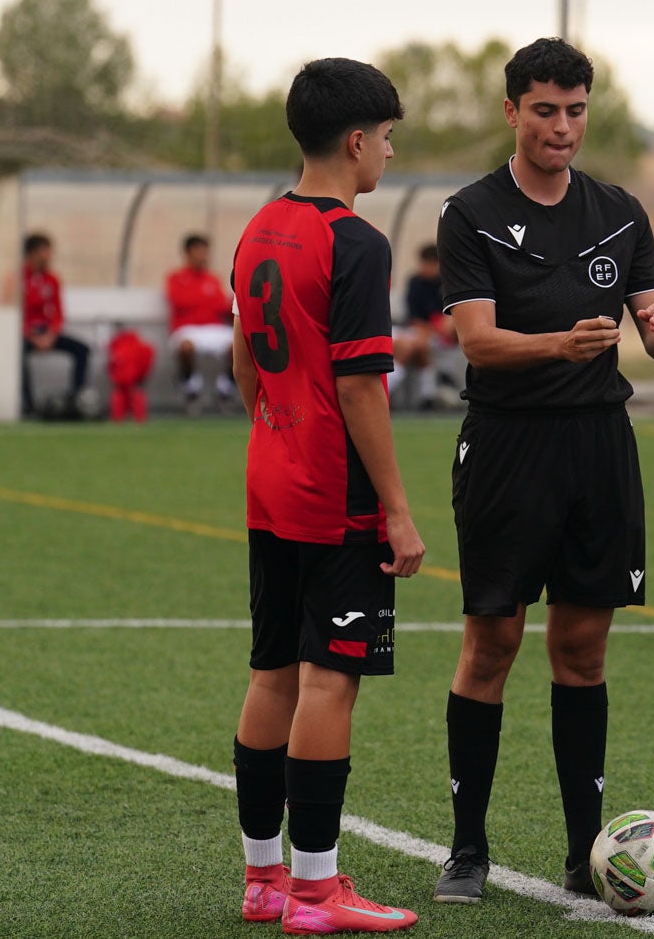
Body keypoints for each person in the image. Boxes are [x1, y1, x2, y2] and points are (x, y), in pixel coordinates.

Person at [432, 37, 654, 904]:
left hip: (597, 447)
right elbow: (475, 340)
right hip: (508, 446)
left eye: (574, 111)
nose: (561, 127)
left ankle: (588, 852)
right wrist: (561, 342)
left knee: (581, 649)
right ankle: (467, 849)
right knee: (493, 642)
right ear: (511, 112)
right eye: (544, 110)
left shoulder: (619, 210)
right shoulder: (468, 212)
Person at [228, 57, 424, 934]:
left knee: (271, 670)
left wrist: (276, 428)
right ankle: (316, 891)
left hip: (268, 477)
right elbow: (359, 389)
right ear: (356, 141)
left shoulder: (259, 226)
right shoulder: (356, 241)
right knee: (327, 682)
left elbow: (245, 361)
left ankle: (264, 880)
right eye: (386, 137)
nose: (387, 152)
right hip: (332, 490)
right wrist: (397, 509)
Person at [19, 232, 91, 417]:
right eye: (45, 251)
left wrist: (51, 335)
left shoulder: (52, 279)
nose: (49, 256)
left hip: (47, 333)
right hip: (27, 333)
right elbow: (17, 313)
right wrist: (31, 335)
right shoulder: (18, 279)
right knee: (17, 355)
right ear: (33, 253)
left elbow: (58, 313)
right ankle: (28, 405)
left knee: (82, 349)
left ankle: (75, 399)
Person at [165, 232, 236, 411]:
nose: (203, 256)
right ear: (188, 253)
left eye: (205, 252)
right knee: (186, 346)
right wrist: (206, 300)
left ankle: (225, 389)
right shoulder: (176, 278)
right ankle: (191, 388)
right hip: (187, 329)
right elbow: (179, 302)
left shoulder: (213, 279)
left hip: (213, 327)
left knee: (239, 345)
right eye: (199, 251)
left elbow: (223, 306)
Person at [389, 243, 456, 409]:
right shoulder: (416, 282)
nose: (424, 268)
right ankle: (428, 396)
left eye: (429, 264)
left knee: (411, 347)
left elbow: (448, 324)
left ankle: (386, 392)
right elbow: (414, 318)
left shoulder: (449, 284)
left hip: (440, 338)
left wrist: (434, 329)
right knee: (412, 347)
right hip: (418, 332)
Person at [106, 325, 154, 423]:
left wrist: (114, 376)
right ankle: (139, 419)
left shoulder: (116, 346)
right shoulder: (142, 346)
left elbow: (111, 365)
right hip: (136, 378)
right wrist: (142, 376)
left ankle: (118, 419)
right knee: (136, 396)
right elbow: (147, 361)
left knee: (119, 396)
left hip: (121, 378)